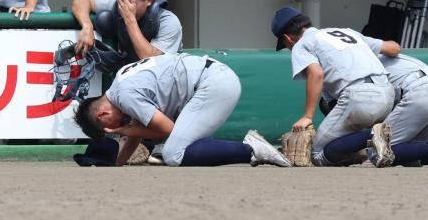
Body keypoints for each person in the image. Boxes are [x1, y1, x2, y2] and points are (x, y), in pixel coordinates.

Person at [73, 53, 291, 168]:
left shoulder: (125, 95)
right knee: (185, 146)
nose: (118, 130)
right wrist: (117, 164)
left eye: (110, 127)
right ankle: (251, 150)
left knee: (173, 154)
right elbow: (139, 128)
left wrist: (127, 131)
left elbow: (166, 129)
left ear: (103, 114)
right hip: (212, 78)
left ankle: (251, 150)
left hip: (212, 84)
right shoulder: (120, 84)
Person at [272, 7, 398, 167]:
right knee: (340, 136)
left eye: (285, 44)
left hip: (359, 97)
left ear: (288, 38)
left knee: (316, 153)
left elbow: (316, 74)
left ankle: (371, 136)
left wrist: (307, 117)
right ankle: (368, 142)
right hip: (388, 94)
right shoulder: (346, 32)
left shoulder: (302, 43)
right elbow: (394, 48)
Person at [72, 0, 182, 67]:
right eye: (121, 0)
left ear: (148, 0)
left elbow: (149, 60)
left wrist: (130, 19)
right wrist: (87, 26)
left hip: (164, 81)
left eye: (130, 2)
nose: (124, 7)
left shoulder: (168, 21)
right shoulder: (118, 5)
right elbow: (80, 2)